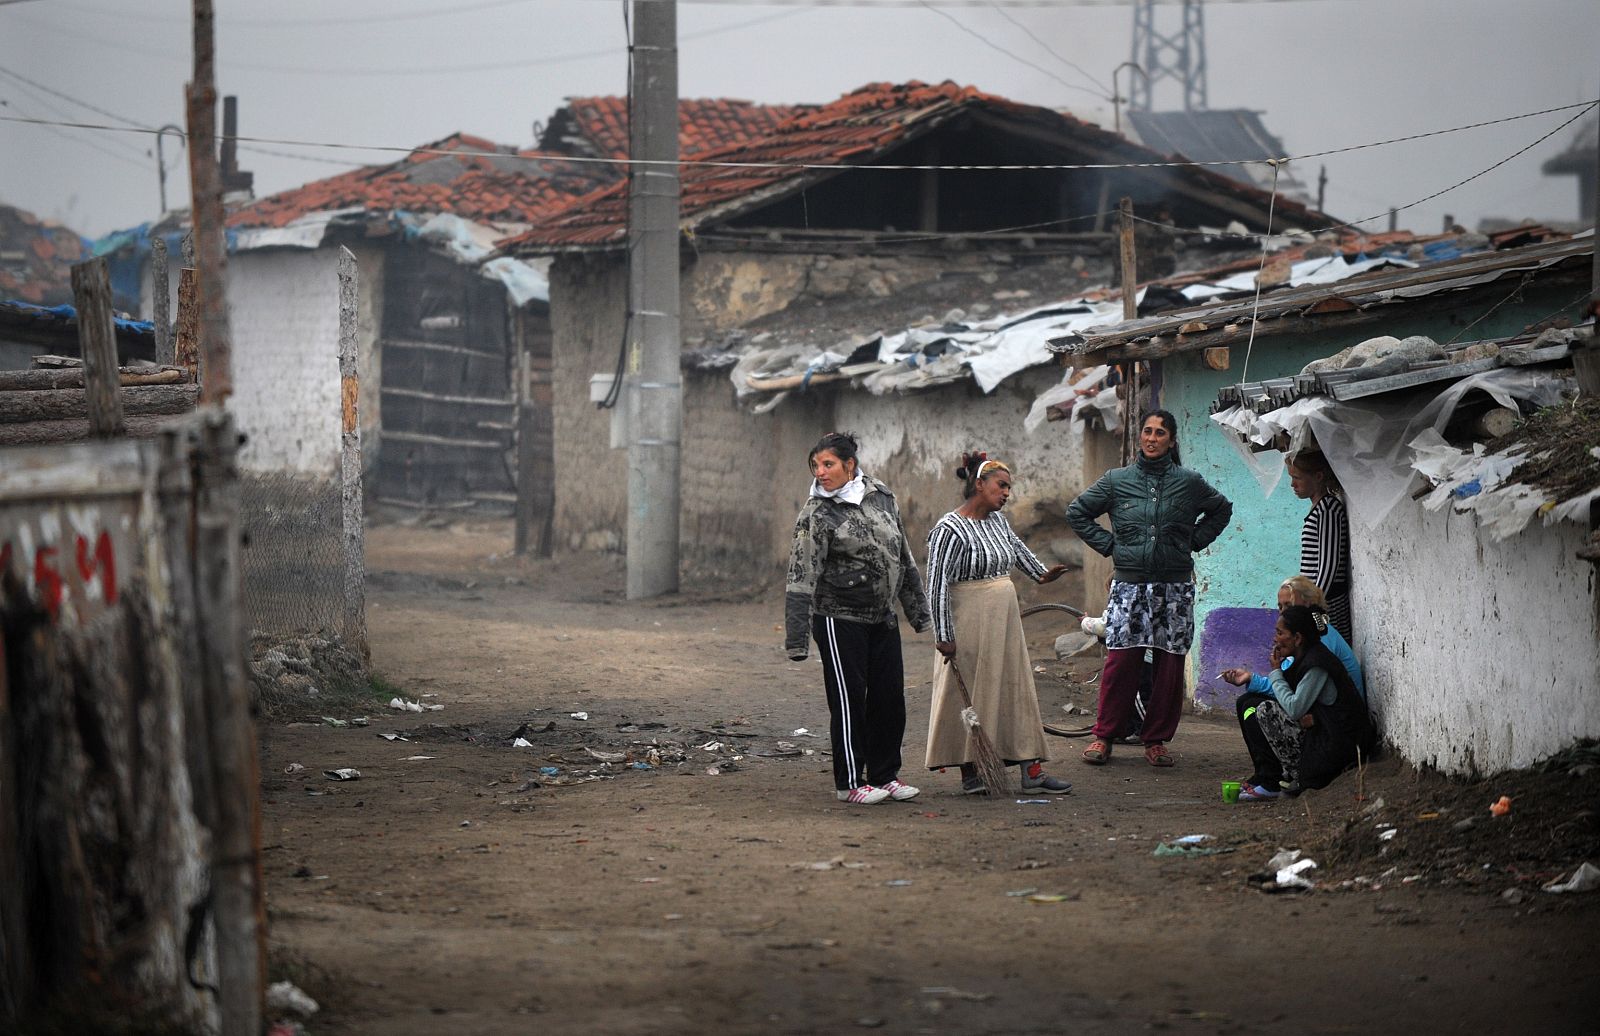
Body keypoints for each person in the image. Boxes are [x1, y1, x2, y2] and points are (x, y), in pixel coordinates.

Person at [1066, 409, 1233, 767]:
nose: (1152, 438)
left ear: (1171, 441)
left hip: (1173, 587)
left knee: (1169, 665)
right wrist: (1112, 547)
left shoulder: (1188, 482)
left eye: (1160, 433)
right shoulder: (1116, 480)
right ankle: (1104, 736)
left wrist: (1192, 542)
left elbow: (1221, 509)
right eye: (1147, 431)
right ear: (1140, 436)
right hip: (1130, 586)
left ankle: (1155, 740)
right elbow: (1077, 512)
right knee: (1121, 660)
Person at [785, 432, 932, 805]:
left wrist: (920, 614)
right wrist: (797, 639)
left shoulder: (881, 496)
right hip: (838, 618)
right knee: (850, 701)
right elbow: (801, 575)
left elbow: (903, 556)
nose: (821, 472)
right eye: (816, 466)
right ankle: (850, 782)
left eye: (828, 464)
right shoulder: (817, 514)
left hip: (881, 617)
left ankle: (885, 776)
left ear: (850, 465)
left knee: (889, 700)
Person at [924, 452, 1073, 795]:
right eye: (1001, 486)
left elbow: (1018, 551)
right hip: (969, 620)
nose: (1006, 493)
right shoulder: (949, 529)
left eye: (1009, 488)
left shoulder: (998, 522)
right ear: (979, 484)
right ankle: (972, 771)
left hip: (1003, 620)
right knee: (973, 695)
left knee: (1014, 688)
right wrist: (944, 635)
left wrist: (1042, 574)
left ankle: (1031, 770)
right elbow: (936, 585)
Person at [1221, 605, 1374, 801]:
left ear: (1298, 638)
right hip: (1325, 731)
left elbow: (1294, 708)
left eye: (1280, 633)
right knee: (1248, 702)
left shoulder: (1317, 664)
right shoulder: (1303, 658)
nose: (1275, 638)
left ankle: (1292, 776)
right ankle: (1269, 776)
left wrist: (1276, 672)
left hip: (1340, 746)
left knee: (1266, 710)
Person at [1288, 450, 1352, 643]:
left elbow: (1328, 564)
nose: (1293, 484)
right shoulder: (1319, 508)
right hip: (1318, 599)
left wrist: (1315, 602)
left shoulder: (1327, 509)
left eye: (1297, 478)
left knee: (1329, 648)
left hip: (1327, 601)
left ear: (1318, 477)